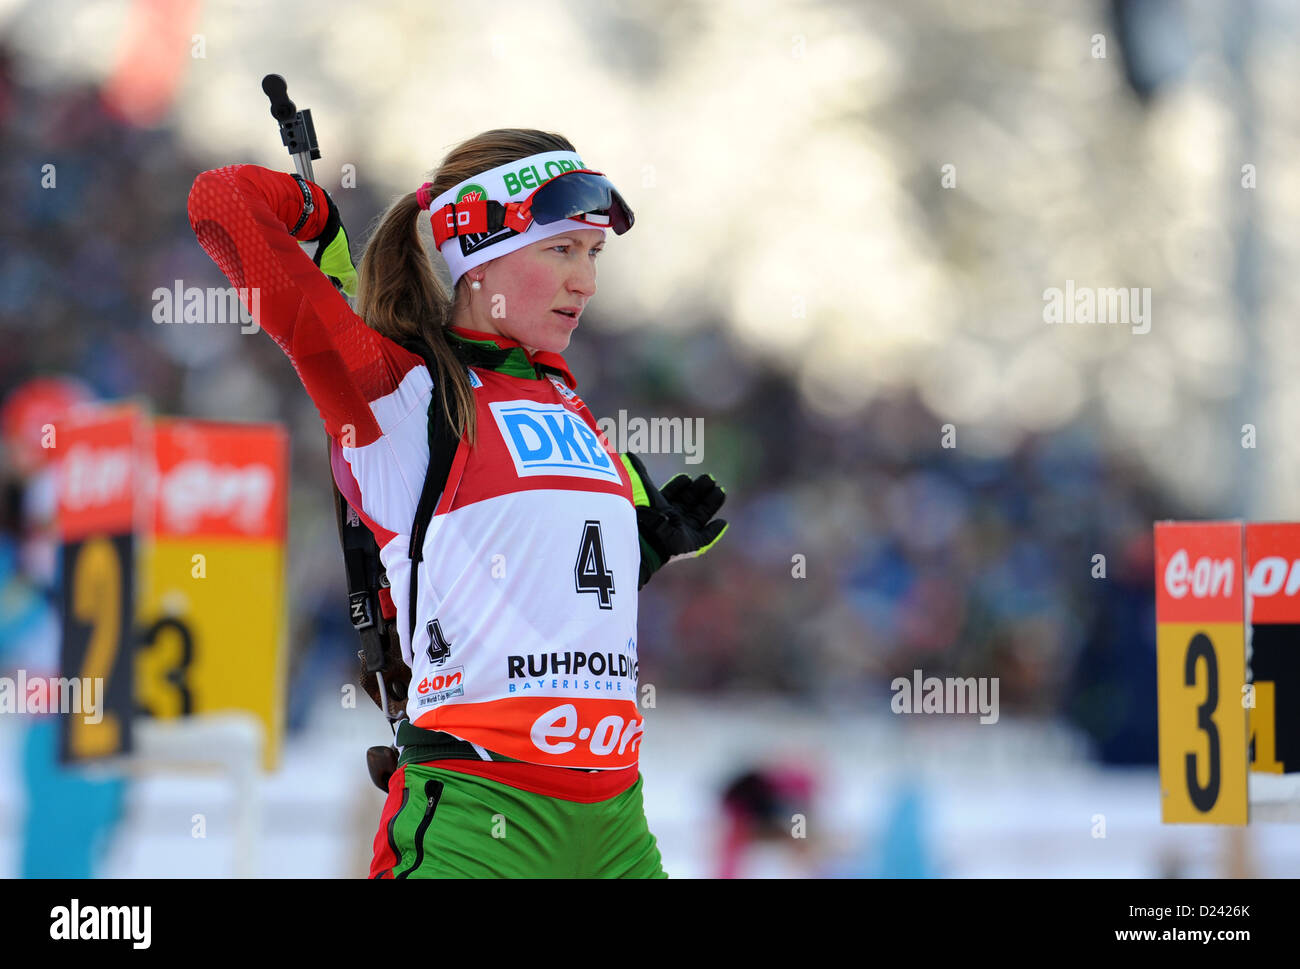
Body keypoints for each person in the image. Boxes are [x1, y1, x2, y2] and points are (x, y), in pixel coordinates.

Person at [187, 128, 728, 877]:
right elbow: (220, 203)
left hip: (614, 822)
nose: (587, 282)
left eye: (593, 255)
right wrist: (314, 213)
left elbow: (520, 597)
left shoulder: (562, 395)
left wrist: (644, 547)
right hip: (479, 816)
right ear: (479, 251)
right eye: (561, 250)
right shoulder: (395, 395)